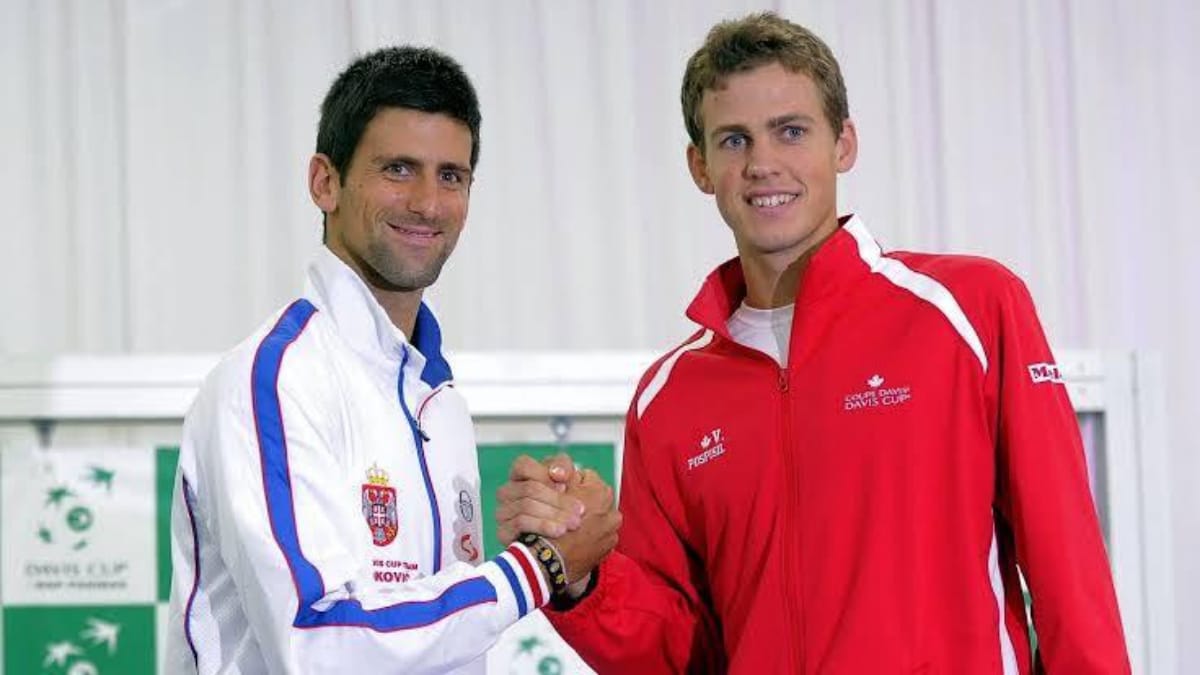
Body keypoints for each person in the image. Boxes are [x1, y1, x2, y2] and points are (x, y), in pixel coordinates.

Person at [497, 12, 1130, 673]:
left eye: (790, 131)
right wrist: (583, 577)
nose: (763, 163)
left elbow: (1068, 568)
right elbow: (675, 651)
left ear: (844, 144)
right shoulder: (670, 397)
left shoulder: (970, 307)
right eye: (734, 140)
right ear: (700, 166)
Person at [164, 45, 620, 674]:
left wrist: (548, 537)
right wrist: (537, 567)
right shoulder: (274, 380)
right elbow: (318, 643)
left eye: (450, 176)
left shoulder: (440, 402)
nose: (429, 204)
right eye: (399, 169)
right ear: (325, 182)